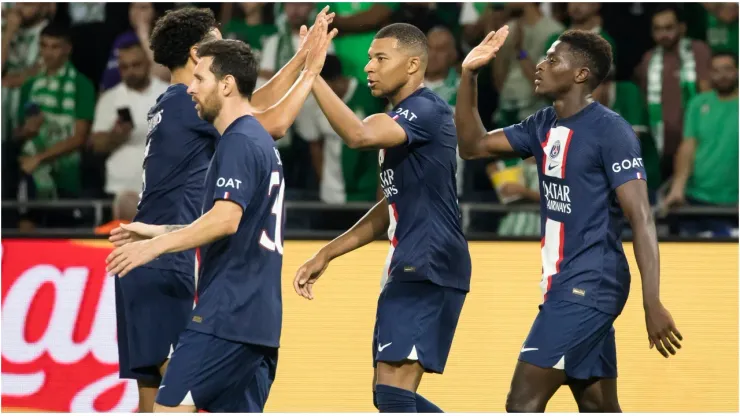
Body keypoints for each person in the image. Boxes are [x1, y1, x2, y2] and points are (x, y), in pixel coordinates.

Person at [109, 6, 338, 412]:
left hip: (146, 257)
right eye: (219, 40)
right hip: (164, 261)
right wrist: (309, 69)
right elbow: (269, 118)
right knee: (176, 401)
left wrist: (301, 57)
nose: (228, 45)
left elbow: (248, 102)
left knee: (152, 398)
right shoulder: (187, 101)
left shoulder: (173, 101)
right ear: (199, 53)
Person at [456, 27, 683, 412]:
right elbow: (472, 145)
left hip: (590, 284)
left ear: (581, 75)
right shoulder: (542, 124)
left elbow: (642, 218)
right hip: (565, 283)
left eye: (553, 59)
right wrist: (469, 75)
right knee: (598, 406)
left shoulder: (611, 131)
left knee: (521, 403)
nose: (540, 65)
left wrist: (652, 302)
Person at [294, 23, 471, 413]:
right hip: (414, 261)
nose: (368, 67)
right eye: (370, 57)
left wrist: (311, 72)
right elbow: (390, 205)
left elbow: (357, 135)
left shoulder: (425, 108)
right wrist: (328, 252)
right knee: (388, 395)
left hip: (428, 262)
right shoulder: (401, 118)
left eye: (380, 58)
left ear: (412, 65)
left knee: (392, 394)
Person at [661, 52, 739, 237]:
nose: (722, 75)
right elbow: (688, 146)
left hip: (734, 202)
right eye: (716, 70)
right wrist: (678, 188)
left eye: (727, 69)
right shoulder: (698, 103)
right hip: (698, 199)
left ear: (737, 71)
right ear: (709, 74)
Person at [90, 40, 168, 197]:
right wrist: (115, 136)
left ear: (147, 63)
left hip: (163, 186)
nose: (130, 71)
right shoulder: (109, 98)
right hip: (121, 188)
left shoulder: (168, 93)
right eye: (124, 67)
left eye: (136, 65)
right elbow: (96, 145)